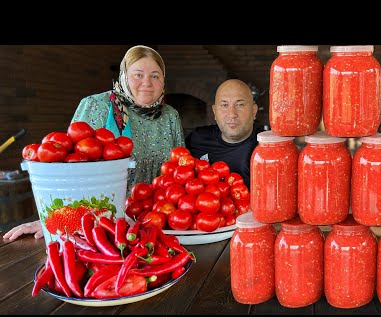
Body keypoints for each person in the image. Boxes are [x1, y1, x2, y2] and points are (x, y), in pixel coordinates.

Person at [3, 45, 185, 241]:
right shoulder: (97, 106)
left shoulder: (170, 117)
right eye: (138, 75)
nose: (147, 83)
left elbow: (180, 174)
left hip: (157, 225)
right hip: (101, 225)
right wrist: (58, 217)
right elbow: (69, 167)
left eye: (155, 76)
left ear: (163, 81)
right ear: (124, 76)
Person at [185, 79, 263, 189]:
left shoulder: (264, 149)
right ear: (214, 112)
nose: (232, 114)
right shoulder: (197, 138)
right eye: (224, 105)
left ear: (254, 111)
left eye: (240, 104)